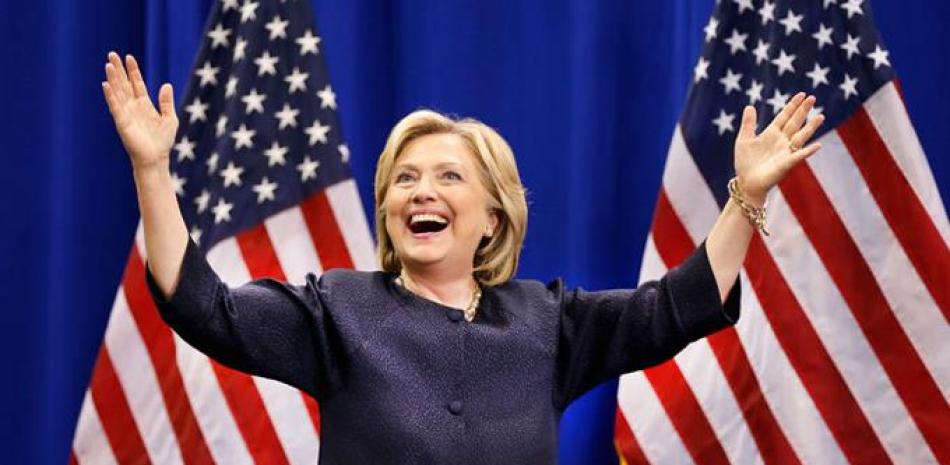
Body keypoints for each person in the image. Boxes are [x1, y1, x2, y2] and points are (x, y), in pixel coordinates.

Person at [101, 51, 824, 464]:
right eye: (404, 179)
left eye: (449, 176)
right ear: (388, 209)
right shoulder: (337, 310)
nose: (422, 191)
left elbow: (674, 308)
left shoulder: (550, 323)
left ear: (492, 217)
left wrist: (745, 197)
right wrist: (151, 170)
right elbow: (205, 307)